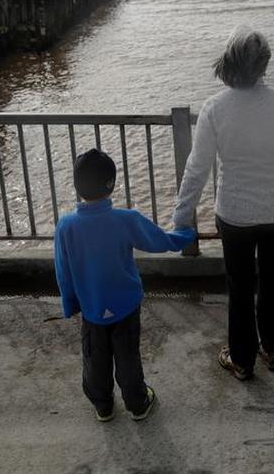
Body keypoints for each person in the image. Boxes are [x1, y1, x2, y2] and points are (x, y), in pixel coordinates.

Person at [172, 26, 274, 381]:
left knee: (239, 288)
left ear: (230, 61)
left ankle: (242, 360)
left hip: (234, 214)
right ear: (264, 64)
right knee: (273, 281)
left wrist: (182, 214)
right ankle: (273, 348)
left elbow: (197, 167)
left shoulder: (215, 108)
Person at [54, 148, 196, 422]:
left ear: (76, 184)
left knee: (95, 357)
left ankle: (103, 406)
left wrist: (69, 303)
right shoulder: (125, 219)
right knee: (127, 355)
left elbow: (63, 270)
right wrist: (185, 235)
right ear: (111, 184)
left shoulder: (66, 226)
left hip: (92, 307)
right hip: (126, 304)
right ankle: (138, 403)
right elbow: (158, 240)